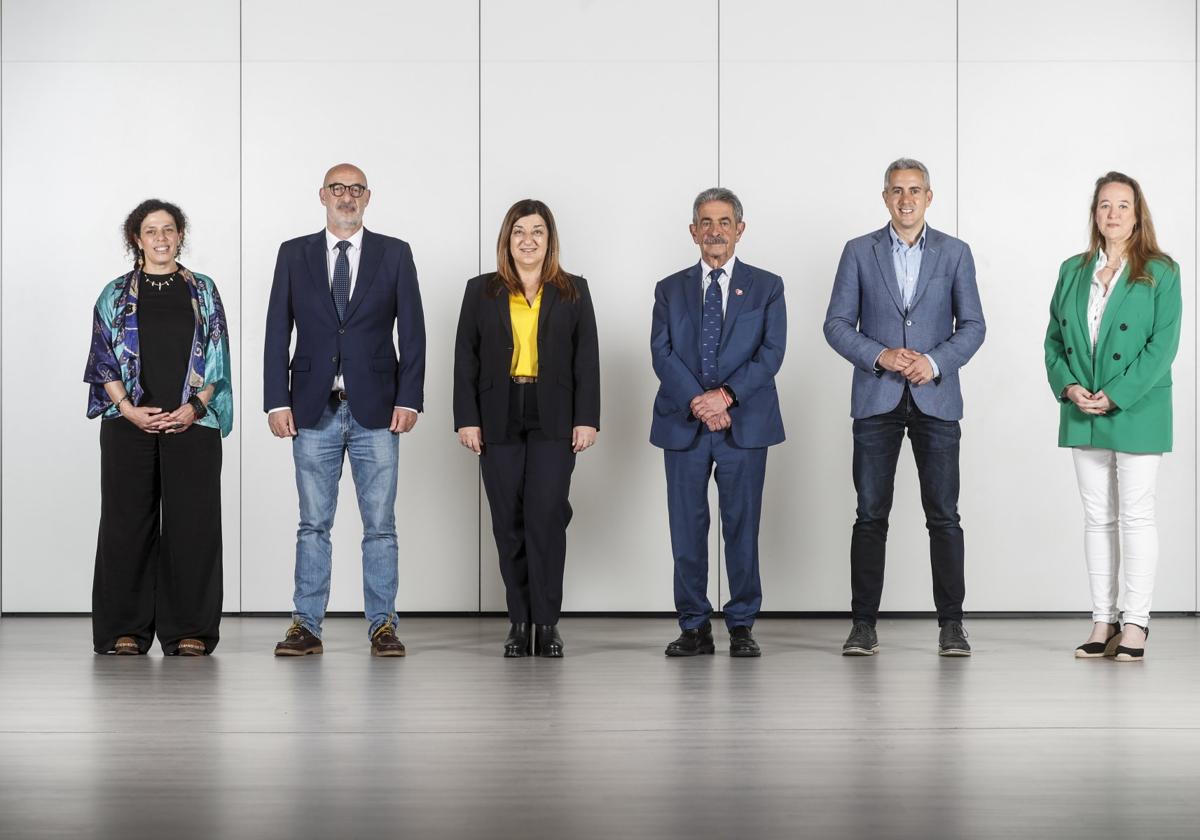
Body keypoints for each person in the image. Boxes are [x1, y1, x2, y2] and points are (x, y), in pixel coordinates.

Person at [823, 158, 985, 657]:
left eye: (915, 190)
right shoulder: (858, 251)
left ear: (929, 197)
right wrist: (881, 355)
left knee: (944, 516)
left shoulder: (955, 253)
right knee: (870, 514)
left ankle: (952, 625)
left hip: (936, 401)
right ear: (885, 197)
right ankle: (863, 625)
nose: (906, 199)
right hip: (877, 399)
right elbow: (836, 324)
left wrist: (933, 362)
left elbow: (974, 326)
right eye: (897, 191)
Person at [264, 163, 425, 657]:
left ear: (368, 197)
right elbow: (276, 329)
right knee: (313, 522)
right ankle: (305, 625)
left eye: (355, 190)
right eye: (338, 189)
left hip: (377, 408)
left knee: (380, 524)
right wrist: (276, 399)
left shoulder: (395, 254)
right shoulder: (293, 254)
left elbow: (413, 331)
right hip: (312, 409)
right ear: (322, 195)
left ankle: (383, 625)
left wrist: (409, 397)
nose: (347, 197)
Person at [83, 199, 233, 656]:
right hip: (130, 425)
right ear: (137, 238)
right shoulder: (113, 294)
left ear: (180, 235)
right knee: (126, 526)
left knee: (193, 527)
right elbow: (102, 359)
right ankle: (123, 630)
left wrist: (194, 405)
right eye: (151, 231)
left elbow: (218, 356)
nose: (161, 239)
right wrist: (128, 409)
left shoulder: (204, 290)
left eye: (169, 230)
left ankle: (190, 630)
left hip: (193, 423)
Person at [453, 199, 599, 658]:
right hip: (497, 412)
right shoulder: (481, 291)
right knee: (508, 523)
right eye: (519, 232)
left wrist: (587, 418)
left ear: (550, 239)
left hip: (554, 414)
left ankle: (547, 623)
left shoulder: (574, 290)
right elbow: (465, 360)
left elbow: (586, 359)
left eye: (537, 231)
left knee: (547, 517)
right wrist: (467, 418)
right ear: (507, 239)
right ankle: (519, 622)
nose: (528, 240)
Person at [1044, 172, 1180, 662]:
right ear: (1094, 213)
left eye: (1124, 205)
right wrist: (1070, 386)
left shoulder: (1162, 271)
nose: (1114, 214)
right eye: (1105, 205)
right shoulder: (1072, 269)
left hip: (1138, 407)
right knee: (1097, 518)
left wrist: (1116, 394)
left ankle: (1137, 623)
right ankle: (1103, 620)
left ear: (1137, 214)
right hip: (1084, 410)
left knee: (1137, 515)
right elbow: (1053, 341)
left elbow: (1162, 347)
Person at [651, 187, 786, 658]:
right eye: (705, 223)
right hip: (683, 425)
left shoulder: (767, 286)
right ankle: (693, 626)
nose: (714, 232)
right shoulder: (668, 289)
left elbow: (771, 353)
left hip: (744, 425)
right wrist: (699, 401)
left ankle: (742, 623)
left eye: (724, 222)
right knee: (687, 529)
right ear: (693, 232)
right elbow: (661, 354)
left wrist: (725, 396)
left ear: (740, 230)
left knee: (741, 527)